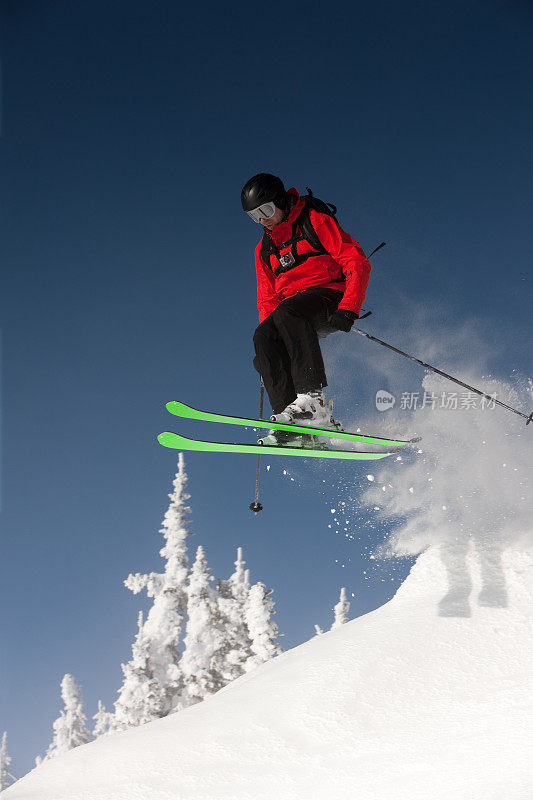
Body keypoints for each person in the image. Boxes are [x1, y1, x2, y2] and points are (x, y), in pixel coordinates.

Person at [242, 173, 371, 446]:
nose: (262, 220)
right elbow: (267, 301)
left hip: (330, 294)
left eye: (265, 210)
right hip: (293, 310)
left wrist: (349, 306)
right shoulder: (263, 249)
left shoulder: (313, 220)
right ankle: (291, 422)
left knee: (288, 312)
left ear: (280, 202)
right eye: (254, 216)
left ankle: (314, 404)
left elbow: (355, 260)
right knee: (262, 336)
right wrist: (271, 352)